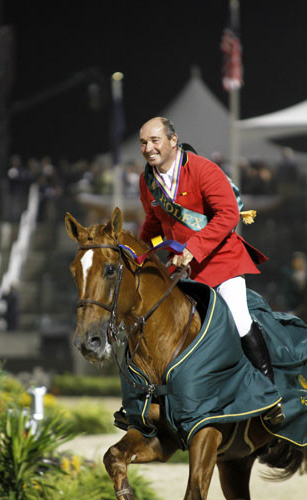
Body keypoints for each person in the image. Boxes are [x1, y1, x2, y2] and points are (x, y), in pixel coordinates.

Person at [138, 116, 283, 424]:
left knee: (240, 320)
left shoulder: (203, 169)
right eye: (143, 143)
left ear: (173, 141)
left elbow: (229, 214)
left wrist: (193, 249)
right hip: (183, 270)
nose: (148, 148)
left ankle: (269, 397)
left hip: (222, 264)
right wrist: (146, 252)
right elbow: (153, 227)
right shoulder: (147, 181)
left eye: (154, 140)